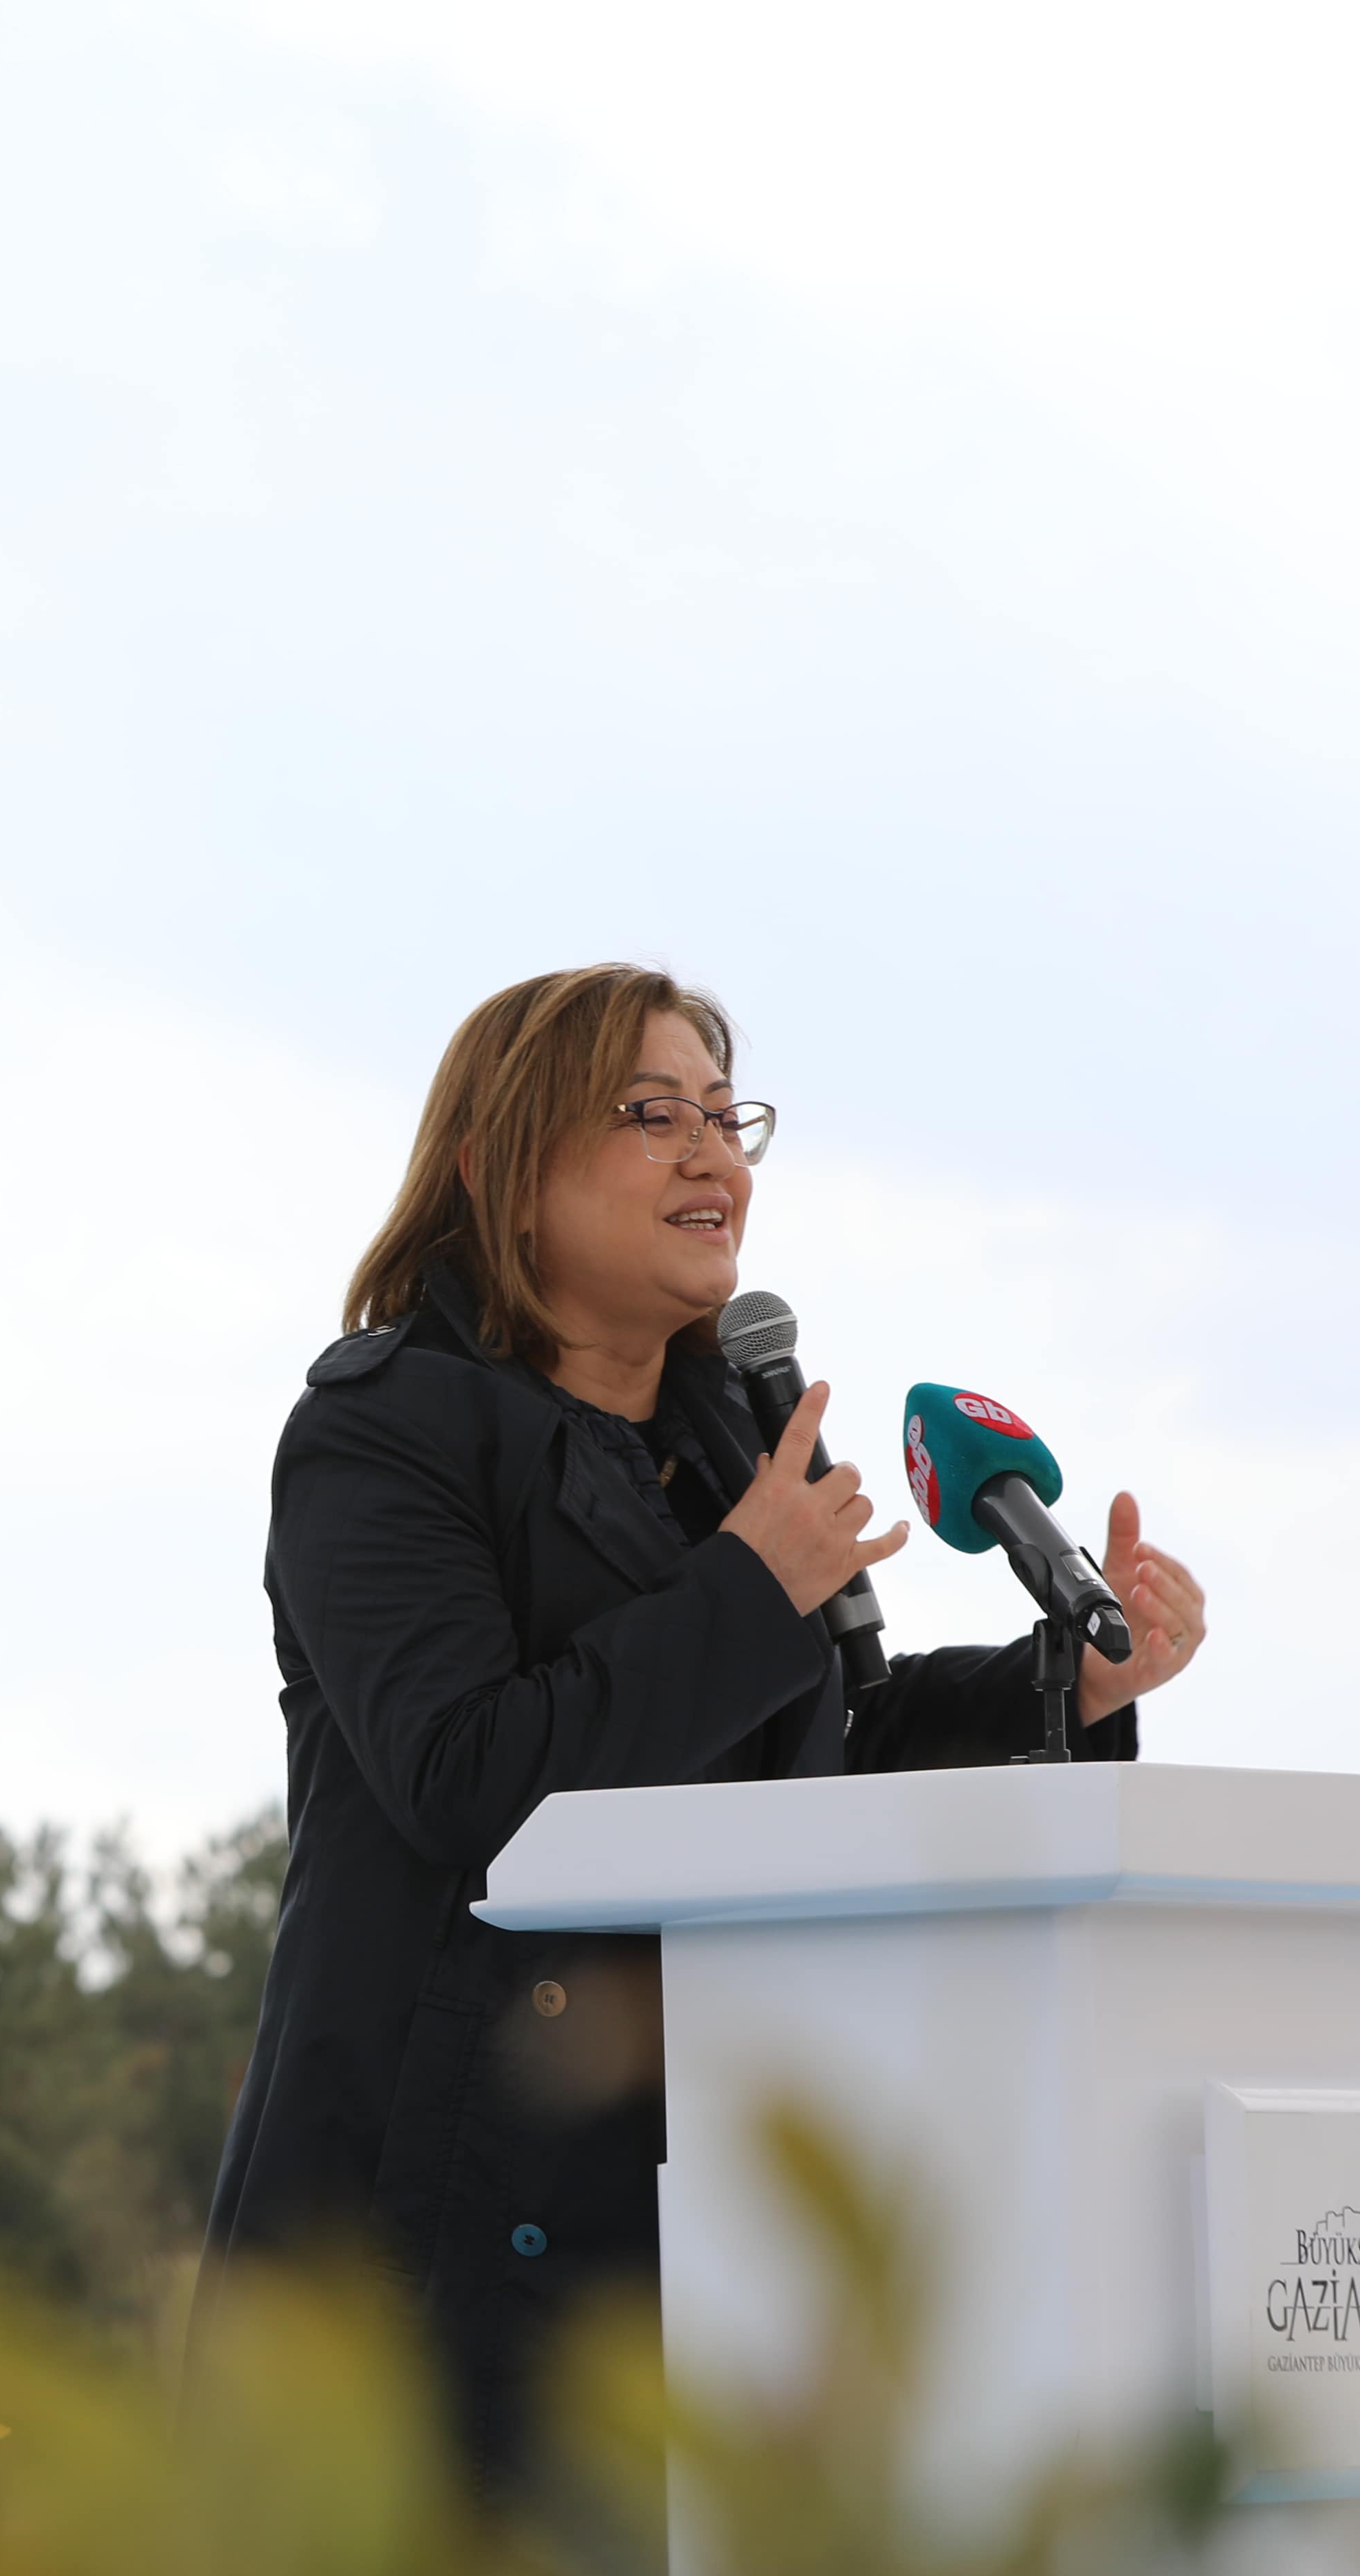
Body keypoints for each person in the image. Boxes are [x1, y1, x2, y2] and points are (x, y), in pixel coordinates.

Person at [193, 961, 1208, 2498]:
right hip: (427, 2240)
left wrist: (1063, 1687)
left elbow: (821, 1762)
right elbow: (473, 1783)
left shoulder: (734, 1431)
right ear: (495, 1168)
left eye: (729, 1120)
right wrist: (746, 1585)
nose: (712, 1157)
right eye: (651, 1115)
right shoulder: (382, 1432)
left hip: (700, 2228)